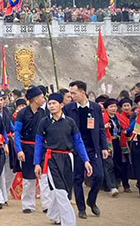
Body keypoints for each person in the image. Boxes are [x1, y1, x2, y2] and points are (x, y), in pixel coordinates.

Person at [34, 93, 93, 226]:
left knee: (65, 190)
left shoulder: (70, 122)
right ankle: (69, 222)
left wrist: (86, 160)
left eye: (54, 103)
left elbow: (78, 142)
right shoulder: (44, 122)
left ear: (61, 105)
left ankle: (53, 214)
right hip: (50, 159)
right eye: (49, 103)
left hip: (67, 158)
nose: (51, 106)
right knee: (60, 190)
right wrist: (37, 163)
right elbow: (38, 143)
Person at [63, 81, 109, 219]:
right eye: (70, 93)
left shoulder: (95, 108)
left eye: (74, 93)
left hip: (92, 148)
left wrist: (104, 147)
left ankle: (92, 200)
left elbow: (100, 128)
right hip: (76, 149)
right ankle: (81, 208)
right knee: (77, 179)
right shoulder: (68, 108)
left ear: (83, 93)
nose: (71, 96)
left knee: (99, 175)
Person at [14, 86, 51, 213]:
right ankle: (28, 205)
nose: (43, 99)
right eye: (41, 97)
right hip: (27, 148)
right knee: (28, 178)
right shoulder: (22, 113)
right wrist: (19, 150)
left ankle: (47, 205)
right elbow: (17, 133)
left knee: (44, 177)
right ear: (35, 99)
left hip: (42, 148)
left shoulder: (45, 113)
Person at [101, 98, 120, 197]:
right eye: (111, 107)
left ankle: (109, 184)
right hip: (107, 143)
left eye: (115, 106)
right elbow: (98, 129)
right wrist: (104, 127)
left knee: (116, 163)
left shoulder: (117, 117)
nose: (113, 108)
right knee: (109, 164)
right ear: (106, 109)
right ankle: (112, 187)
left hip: (117, 142)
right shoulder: (102, 118)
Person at [115, 98, 133, 192]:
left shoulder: (134, 116)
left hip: (133, 142)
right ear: (121, 108)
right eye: (124, 106)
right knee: (124, 164)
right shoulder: (118, 118)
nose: (126, 107)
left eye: (128, 105)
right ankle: (125, 184)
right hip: (123, 143)